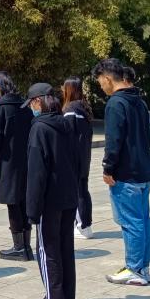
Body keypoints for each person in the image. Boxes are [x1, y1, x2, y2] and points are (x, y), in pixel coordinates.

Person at [92, 58, 150, 286]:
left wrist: (108, 168)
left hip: (126, 172)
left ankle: (135, 268)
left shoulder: (116, 103)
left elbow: (114, 140)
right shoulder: (139, 101)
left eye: (100, 81)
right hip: (143, 168)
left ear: (108, 78)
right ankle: (142, 267)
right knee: (143, 220)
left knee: (131, 222)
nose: (101, 86)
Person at [25, 83, 81, 299]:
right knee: (65, 247)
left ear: (37, 102)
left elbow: (36, 173)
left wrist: (32, 209)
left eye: (31, 104)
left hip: (49, 199)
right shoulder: (67, 124)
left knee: (48, 249)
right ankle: (68, 298)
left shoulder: (40, 129)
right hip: (69, 195)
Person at [0, 71, 34, 261]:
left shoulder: (0, 108)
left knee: (12, 203)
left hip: (6, 163)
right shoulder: (24, 106)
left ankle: (19, 247)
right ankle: (26, 245)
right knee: (23, 202)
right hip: (26, 160)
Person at [61, 77, 94, 239]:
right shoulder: (84, 107)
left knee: (77, 192)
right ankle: (86, 225)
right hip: (84, 156)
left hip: (73, 158)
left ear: (69, 89)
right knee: (83, 190)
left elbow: (67, 134)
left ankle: (82, 226)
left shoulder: (70, 109)